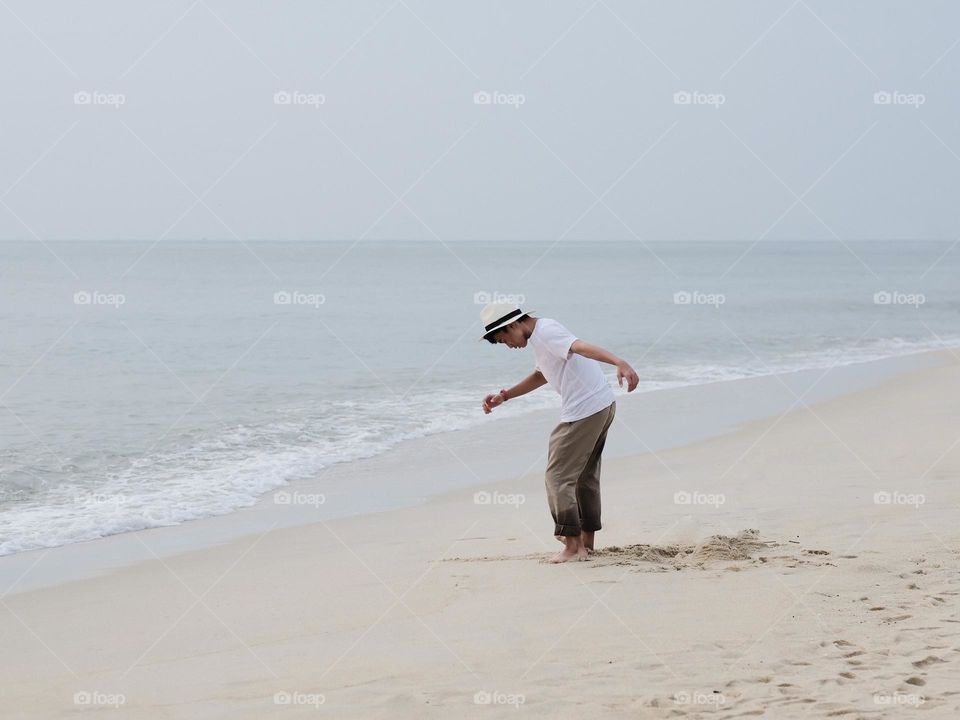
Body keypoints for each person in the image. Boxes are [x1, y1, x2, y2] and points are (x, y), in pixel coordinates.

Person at [479, 302, 639, 563]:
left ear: (512, 325)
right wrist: (505, 396)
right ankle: (586, 544)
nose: (508, 345)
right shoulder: (541, 336)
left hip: (585, 410)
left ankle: (572, 547)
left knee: (557, 476)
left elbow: (581, 346)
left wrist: (619, 362)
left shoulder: (547, 331)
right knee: (583, 477)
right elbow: (542, 374)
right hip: (601, 404)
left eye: (504, 338)